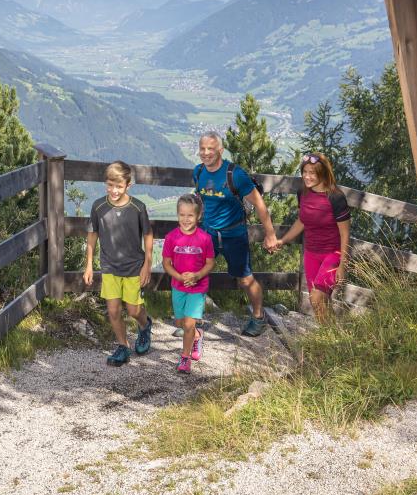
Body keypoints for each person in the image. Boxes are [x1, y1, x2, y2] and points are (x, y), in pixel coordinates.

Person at [193, 132, 279, 336]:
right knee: (197, 275)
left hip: (234, 235)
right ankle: (192, 322)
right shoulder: (198, 172)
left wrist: (270, 234)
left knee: (245, 279)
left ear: (220, 150)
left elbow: (259, 204)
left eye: (211, 149)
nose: (206, 153)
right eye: (202, 148)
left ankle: (258, 317)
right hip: (208, 234)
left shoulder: (235, 174)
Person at [84, 160, 155, 366]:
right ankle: (123, 347)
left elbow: (148, 235)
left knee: (133, 310)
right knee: (114, 310)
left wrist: (147, 264)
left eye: (118, 186)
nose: (113, 190)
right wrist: (89, 264)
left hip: (134, 267)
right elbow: (92, 234)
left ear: (128, 185)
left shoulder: (137, 207)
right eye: (110, 185)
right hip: (109, 267)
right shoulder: (98, 206)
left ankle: (144, 325)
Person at [273, 152, 351, 321]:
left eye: (312, 173)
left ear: (322, 173)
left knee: (317, 296)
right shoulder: (303, 192)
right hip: (311, 253)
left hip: (332, 254)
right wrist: (283, 240)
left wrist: (342, 266)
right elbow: (302, 220)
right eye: (305, 172)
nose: (307, 177)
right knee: (316, 300)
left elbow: (345, 234)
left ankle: (328, 338)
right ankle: (330, 337)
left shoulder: (336, 198)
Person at [162, 193, 215, 373]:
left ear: (198, 216)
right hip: (178, 286)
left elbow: (210, 263)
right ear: (177, 215)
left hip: (197, 287)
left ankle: (185, 358)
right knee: (180, 323)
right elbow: (166, 263)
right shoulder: (171, 237)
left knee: (189, 323)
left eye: (190, 215)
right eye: (182, 215)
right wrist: (178, 276)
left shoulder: (205, 239)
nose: (186, 219)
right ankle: (197, 336)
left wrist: (197, 276)